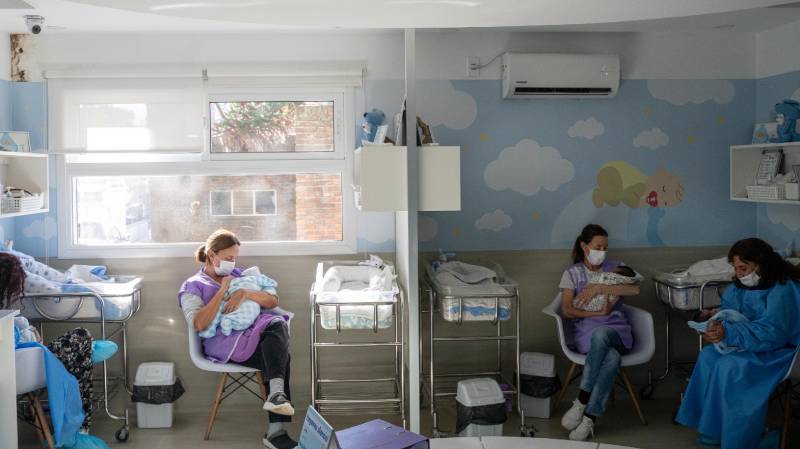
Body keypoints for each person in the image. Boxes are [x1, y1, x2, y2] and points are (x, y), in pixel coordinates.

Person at [177, 229, 296, 449]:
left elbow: (272, 301)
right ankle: (276, 431)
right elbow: (198, 323)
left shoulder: (240, 275)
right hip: (224, 342)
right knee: (278, 356)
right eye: (228, 258)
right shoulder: (192, 286)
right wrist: (222, 291)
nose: (233, 263)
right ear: (211, 255)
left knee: (277, 327)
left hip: (253, 332)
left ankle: (277, 396)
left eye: (235, 258)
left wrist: (246, 293)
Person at [676, 238, 800, 449]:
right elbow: (730, 313)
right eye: (736, 268)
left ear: (761, 264)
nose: (740, 274)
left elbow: (773, 333)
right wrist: (713, 326)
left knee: (730, 366)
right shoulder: (738, 287)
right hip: (749, 344)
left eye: (744, 268)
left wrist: (728, 333)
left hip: (780, 352)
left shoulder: (783, 289)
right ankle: (712, 429)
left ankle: (743, 439)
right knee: (708, 356)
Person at [558, 224, 641, 441]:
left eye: (605, 247)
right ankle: (590, 418)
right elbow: (567, 310)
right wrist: (595, 313)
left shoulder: (616, 267)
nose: (602, 252)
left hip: (617, 332)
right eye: (597, 247)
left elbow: (635, 289)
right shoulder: (572, 273)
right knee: (611, 358)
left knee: (602, 333)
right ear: (584, 246)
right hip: (586, 332)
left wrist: (600, 288)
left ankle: (582, 399)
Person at [0, 252, 98, 433]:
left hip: (26, 364)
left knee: (81, 341)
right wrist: (31, 334)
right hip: (26, 370)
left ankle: (78, 423)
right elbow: (13, 339)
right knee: (81, 339)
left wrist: (28, 331)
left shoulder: (6, 313)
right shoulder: (4, 318)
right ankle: (79, 425)